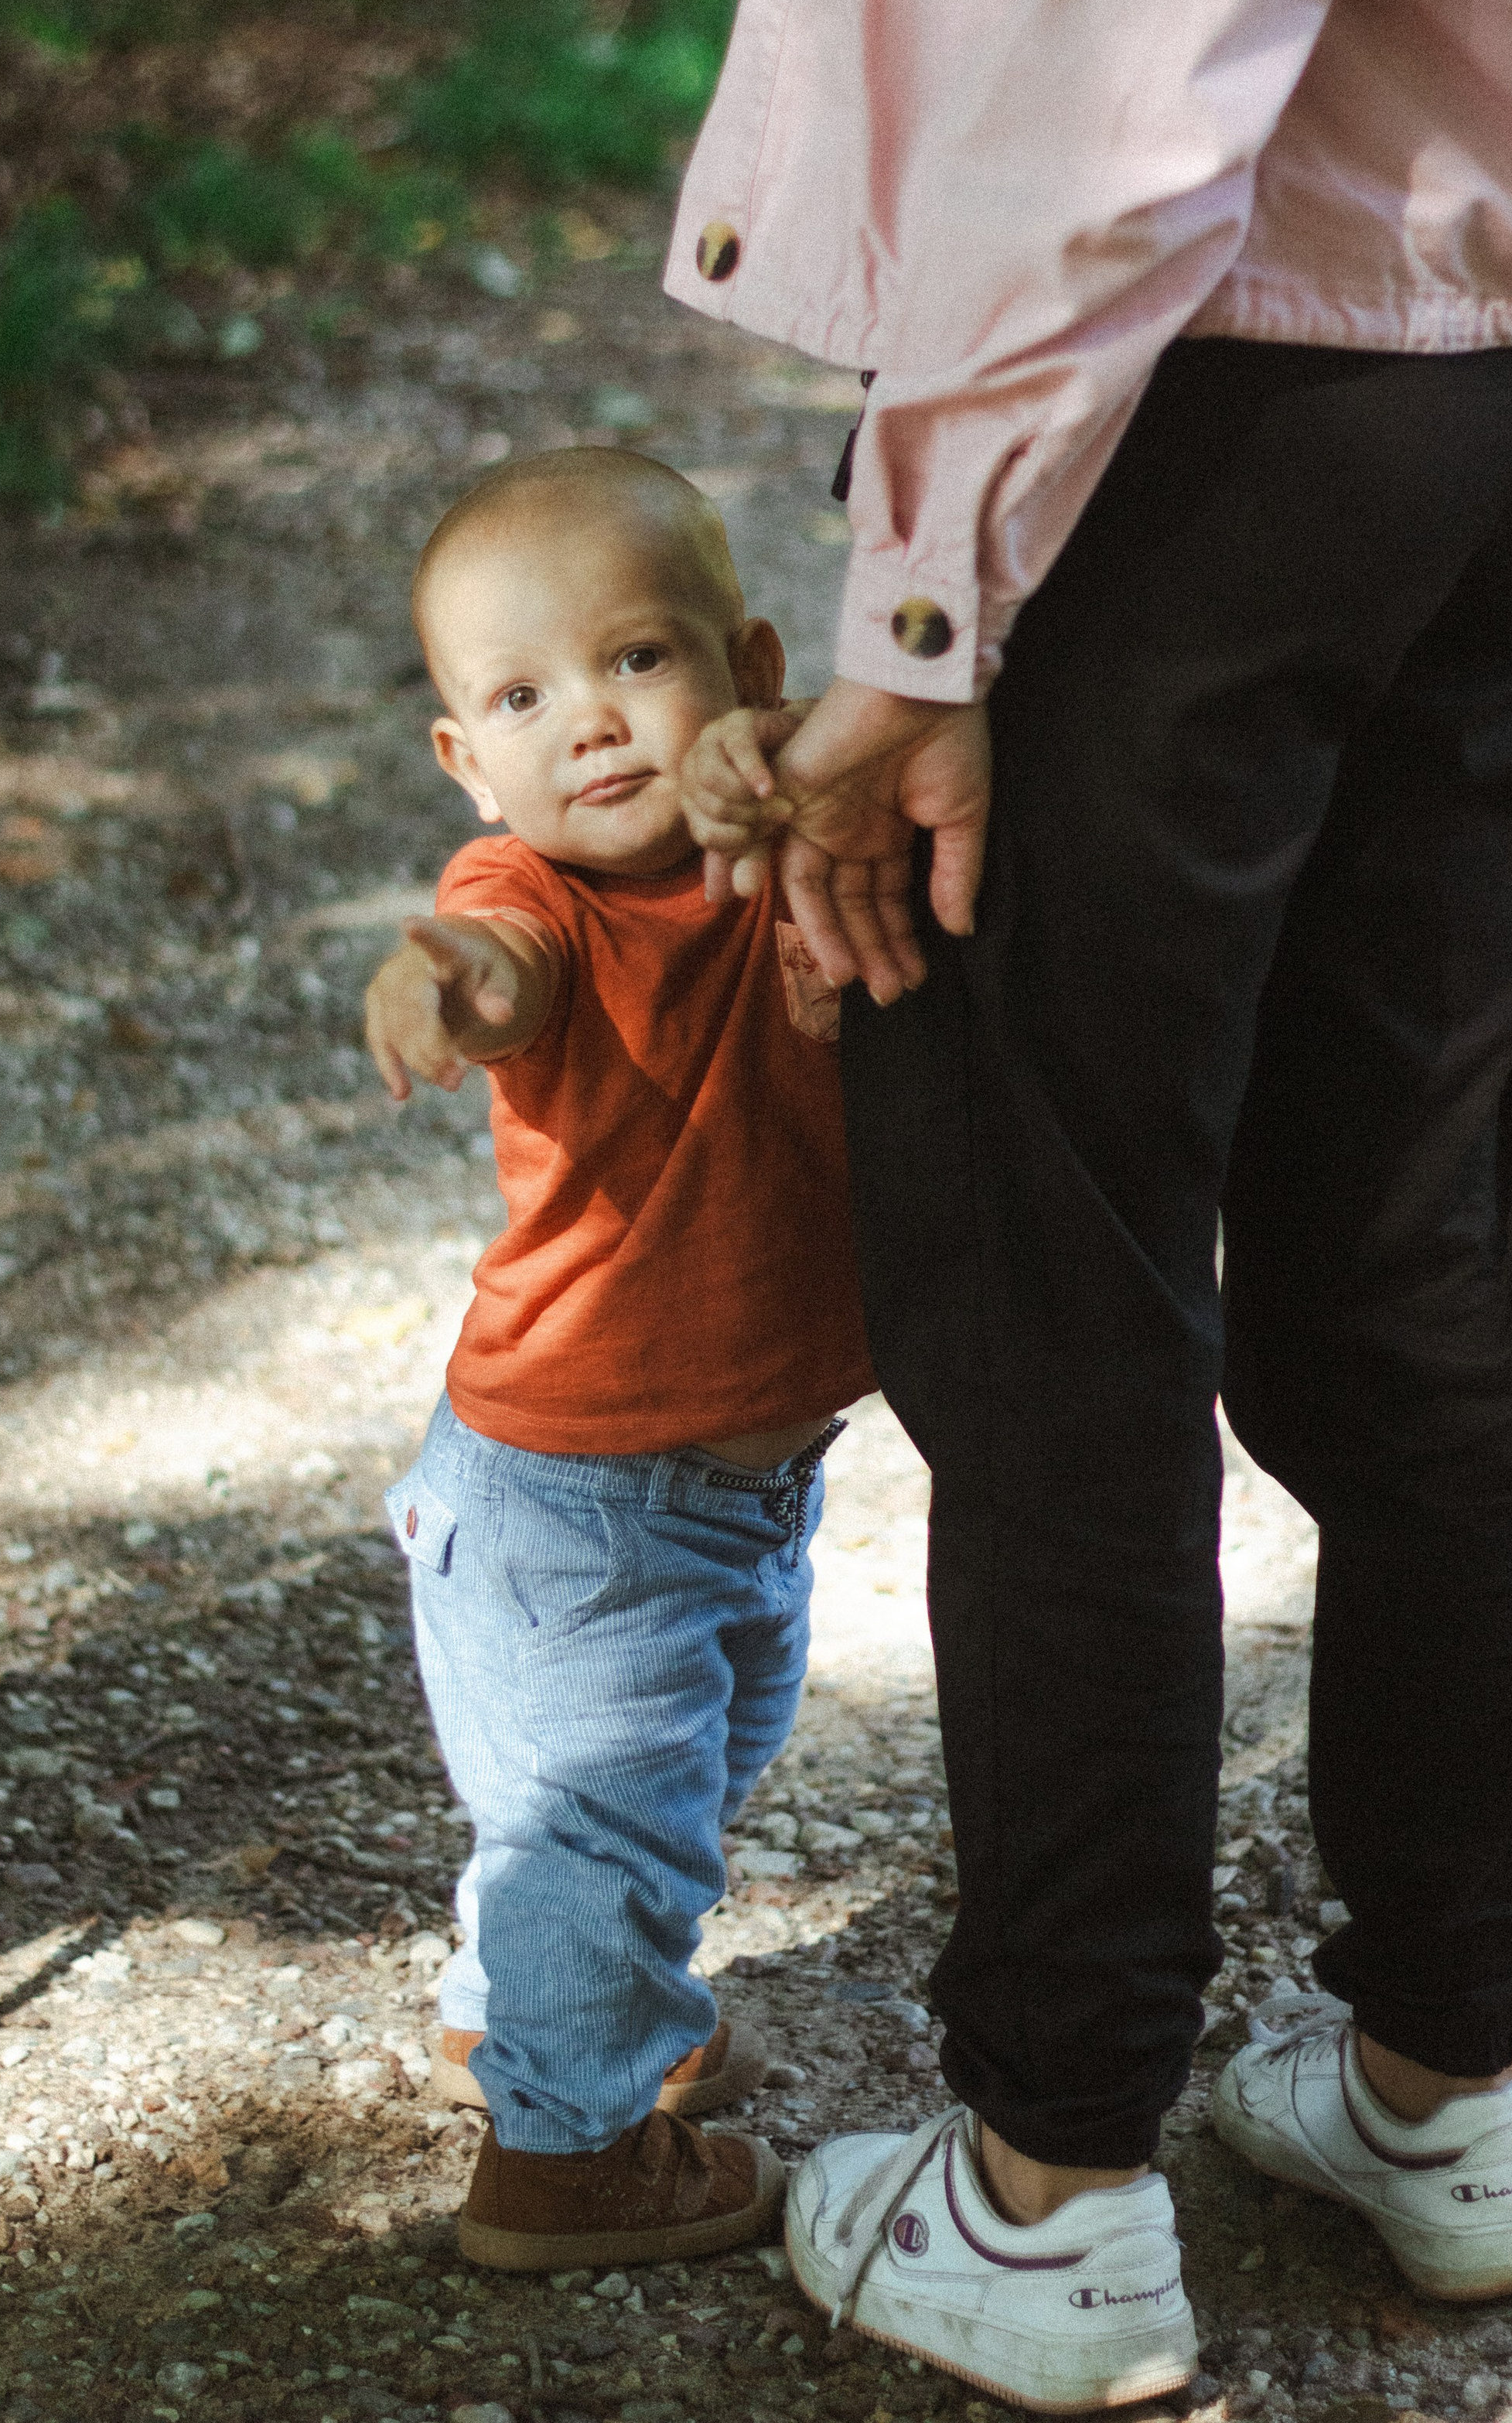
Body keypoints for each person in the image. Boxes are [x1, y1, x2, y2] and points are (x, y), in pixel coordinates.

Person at [669, 0, 1512, 2404]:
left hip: (1205, 414)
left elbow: (1153, 22)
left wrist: (931, 592)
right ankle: (1437, 2083)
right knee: (1404, 1232)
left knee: (1054, 1278)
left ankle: (1050, 2178)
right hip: (1496, 369)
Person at [362, 447, 877, 2269]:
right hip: (576, 1498)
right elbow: (497, 962)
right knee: (607, 1827)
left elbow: (879, 783)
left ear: (742, 662)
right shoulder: (535, 893)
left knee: (674, 1788)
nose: (587, 725)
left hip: (731, 1490)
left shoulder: (796, 824)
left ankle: (535, 2006)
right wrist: (443, 982)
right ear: (465, 758)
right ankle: (562, 2159)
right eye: (520, 698)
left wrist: (788, 768)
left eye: (636, 662)